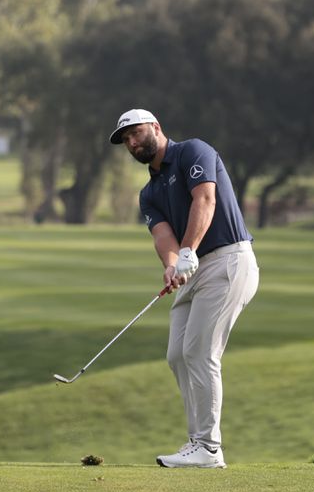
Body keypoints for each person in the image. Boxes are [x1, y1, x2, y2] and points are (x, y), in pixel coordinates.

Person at [108, 108, 260, 469]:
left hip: (227, 259)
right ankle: (198, 443)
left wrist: (188, 251)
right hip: (194, 269)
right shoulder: (149, 193)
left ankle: (208, 448)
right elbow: (163, 235)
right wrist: (173, 265)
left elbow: (204, 200)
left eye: (135, 132)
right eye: (125, 139)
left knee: (199, 352)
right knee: (177, 355)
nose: (131, 141)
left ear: (156, 128)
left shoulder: (194, 151)